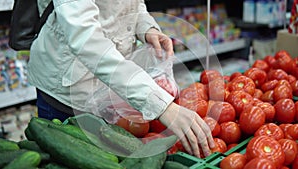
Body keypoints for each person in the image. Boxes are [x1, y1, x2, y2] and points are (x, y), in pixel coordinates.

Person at [27, 0, 215, 158]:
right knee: (71, 158)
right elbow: (86, 40)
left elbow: (132, 3)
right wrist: (161, 106)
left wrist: (146, 28)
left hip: (113, 88)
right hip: (68, 90)